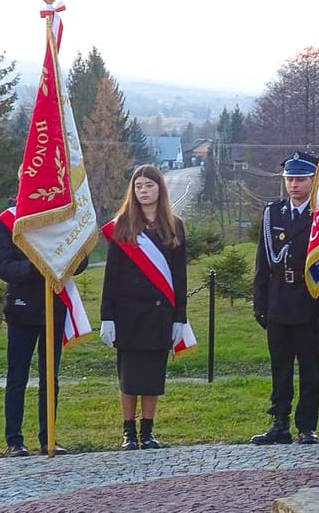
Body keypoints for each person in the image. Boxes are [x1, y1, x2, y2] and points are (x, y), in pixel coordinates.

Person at [250, 151, 319, 445]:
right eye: (290, 179)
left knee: (309, 368)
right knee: (281, 366)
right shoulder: (273, 213)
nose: (294, 185)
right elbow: (263, 263)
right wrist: (260, 303)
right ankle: (279, 422)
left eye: (300, 179)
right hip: (278, 300)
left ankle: (307, 426)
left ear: (313, 181)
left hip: (309, 299)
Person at [99, 164, 188, 450]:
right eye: (138, 186)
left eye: (149, 185)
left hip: (159, 315)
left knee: (152, 377)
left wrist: (180, 318)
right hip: (127, 315)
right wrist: (107, 316)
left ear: (160, 188)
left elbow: (180, 277)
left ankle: (148, 431)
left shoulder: (174, 225)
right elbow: (111, 276)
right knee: (129, 378)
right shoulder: (122, 225)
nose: (143, 191)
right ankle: (129, 432)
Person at [0, 200, 88, 457]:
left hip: (53, 307)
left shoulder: (59, 215)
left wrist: (67, 257)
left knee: (50, 377)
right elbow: (3, 266)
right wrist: (36, 266)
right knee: (17, 377)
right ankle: (14, 440)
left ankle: (49, 438)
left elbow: (81, 262)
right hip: (22, 308)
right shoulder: (7, 220)